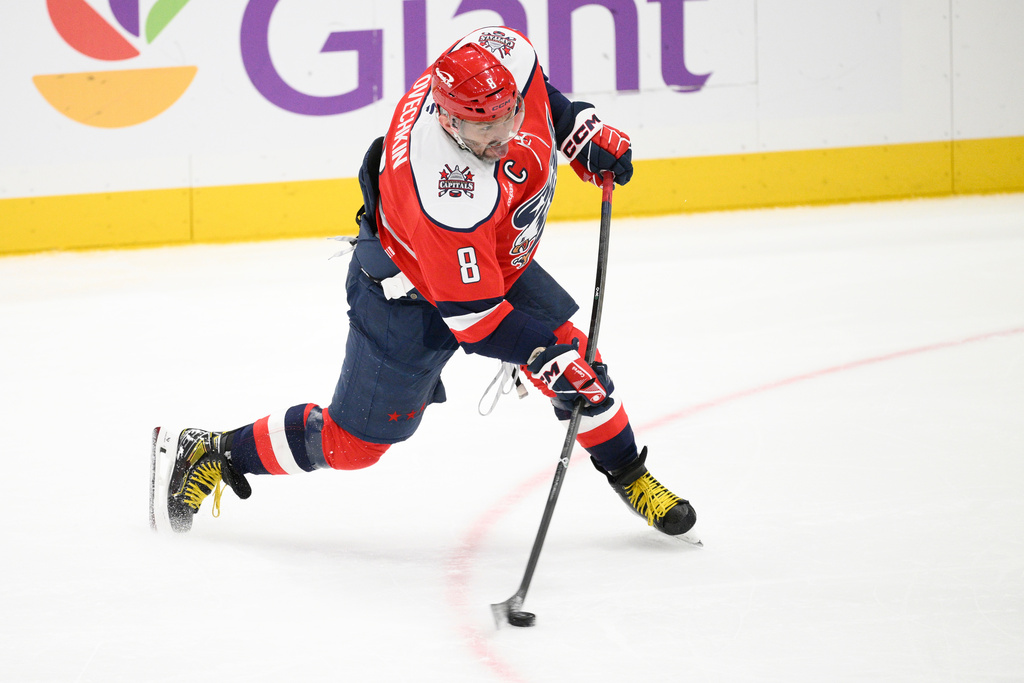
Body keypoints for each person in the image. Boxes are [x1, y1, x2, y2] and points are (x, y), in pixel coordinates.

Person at [150, 26, 696, 539]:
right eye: (486, 128)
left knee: (580, 362)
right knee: (353, 446)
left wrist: (575, 122)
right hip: (407, 296)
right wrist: (538, 352)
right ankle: (215, 452)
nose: (504, 135)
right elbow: (477, 322)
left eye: (510, 116)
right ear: (449, 121)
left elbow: (536, 92)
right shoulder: (445, 195)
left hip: (491, 261)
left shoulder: (498, 58)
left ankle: (628, 472)